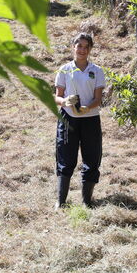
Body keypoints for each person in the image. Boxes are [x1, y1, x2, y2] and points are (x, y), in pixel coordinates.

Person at [54, 32, 106, 208]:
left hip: (90, 119)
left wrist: (88, 108)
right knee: (65, 158)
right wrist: (65, 102)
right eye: (79, 46)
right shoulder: (64, 69)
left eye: (86, 47)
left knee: (91, 158)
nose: (82, 50)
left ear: (90, 49)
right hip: (68, 119)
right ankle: (60, 202)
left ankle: (86, 202)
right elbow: (57, 97)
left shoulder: (97, 71)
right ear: (73, 47)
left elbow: (98, 99)